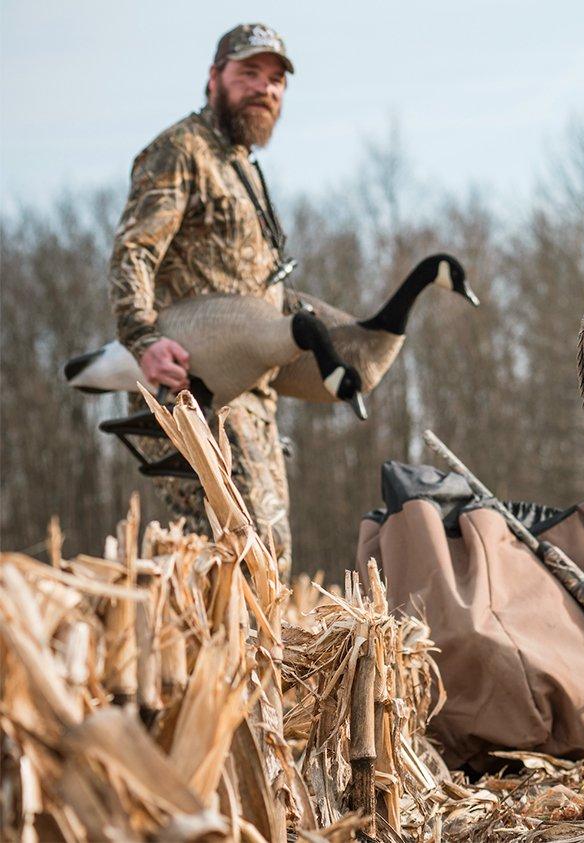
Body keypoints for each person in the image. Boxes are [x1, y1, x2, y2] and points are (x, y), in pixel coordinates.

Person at [108, 23, 297, 574]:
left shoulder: (242, 165)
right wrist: (144, 339)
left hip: (252, 398)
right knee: (230, 557)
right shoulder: (179, 151)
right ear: (214, 78)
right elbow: (134, 252)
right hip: (193, 390)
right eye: (249, 74)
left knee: (271, 558)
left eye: (276, 80)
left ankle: (250, 665)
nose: (265, 88)